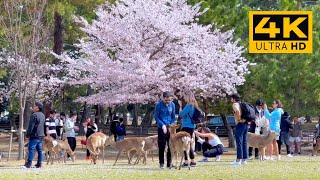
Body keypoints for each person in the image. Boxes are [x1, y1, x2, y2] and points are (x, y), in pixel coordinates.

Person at [154, 91, 176, 169]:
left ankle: (169, 163)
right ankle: (161, 163)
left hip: (170, 127)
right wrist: (162, 125)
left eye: (169, 100)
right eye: (166, 100)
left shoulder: (172, 105)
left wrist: (171, 124)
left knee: (170, 145)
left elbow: (173, 117)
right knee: (162, 145)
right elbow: (156, 117)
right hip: (161, 128)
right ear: (163, 98)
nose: (167, 102)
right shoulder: (158, 105)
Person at [23, 102, 45, 168]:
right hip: (41, 135)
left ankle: (29, 163)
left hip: (34, 135)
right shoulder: (42, 115)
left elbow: (31, 126)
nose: (33, 107)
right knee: (40, 150)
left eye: (34, 106)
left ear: (37, 107)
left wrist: (27, 135)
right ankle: (39, 163)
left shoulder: (34, 115)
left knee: (31, 149)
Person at [177, 91, 197, 167]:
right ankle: (192, 161)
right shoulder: (194, 105)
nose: (184, 98)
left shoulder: (189, 105)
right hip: (192, 127)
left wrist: (180, 106)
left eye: (185, 96)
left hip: (186, 126)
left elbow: (181, 114)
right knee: (189, 144)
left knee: (185, 144)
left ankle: (186, 161)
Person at [230, 94, 248, 166]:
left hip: (240, 124)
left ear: (234, 99)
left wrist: (239, 119)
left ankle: (238, 160)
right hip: (246, 124)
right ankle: (244, 159)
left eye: (231, 98)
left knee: (239, 142)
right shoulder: (242, 104)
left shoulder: (235, 104)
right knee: (244, 142)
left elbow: (237, 111)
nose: (231, 100)